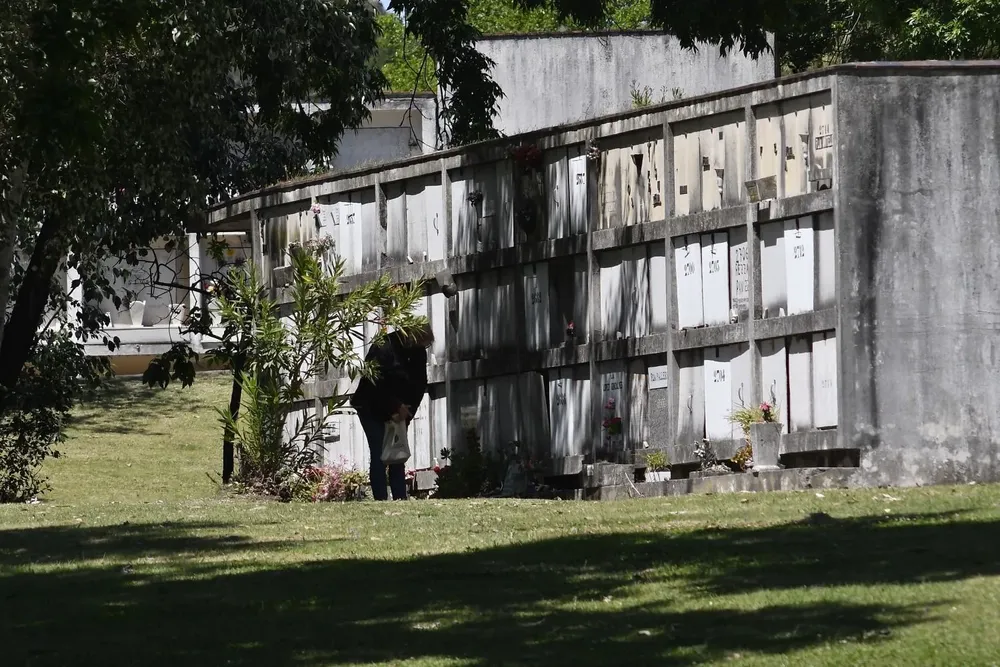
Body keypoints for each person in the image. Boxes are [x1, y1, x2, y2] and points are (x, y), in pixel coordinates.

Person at [351, 322, 433, 500]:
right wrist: (395, 407)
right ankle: (381, 499)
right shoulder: (383, 347)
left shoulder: (418, 351)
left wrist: (407, 412)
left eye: (425, 345)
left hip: (401, 411)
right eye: (422, 343)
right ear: (412, 336)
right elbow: (375, 383)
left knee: (398, 454)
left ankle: (400, 498)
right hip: (370, 406)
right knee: (380, 452)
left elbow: (419, 384)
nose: (423, 348)